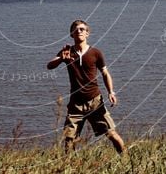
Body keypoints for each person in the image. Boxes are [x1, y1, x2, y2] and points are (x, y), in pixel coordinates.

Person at [47, 20, 126, 154]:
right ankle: (71, 167)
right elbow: (49, 66)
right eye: (75, 30)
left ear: (87, 33)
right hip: (75, 104)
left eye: (82, 29)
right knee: (69, 139)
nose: (79, 31)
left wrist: (111, 92)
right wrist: (61, 58)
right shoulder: (67, 52)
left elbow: (105, 73)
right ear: (71, 34)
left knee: (112, 134)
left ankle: (125, 158)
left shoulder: (95, 53)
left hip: (95, 101)